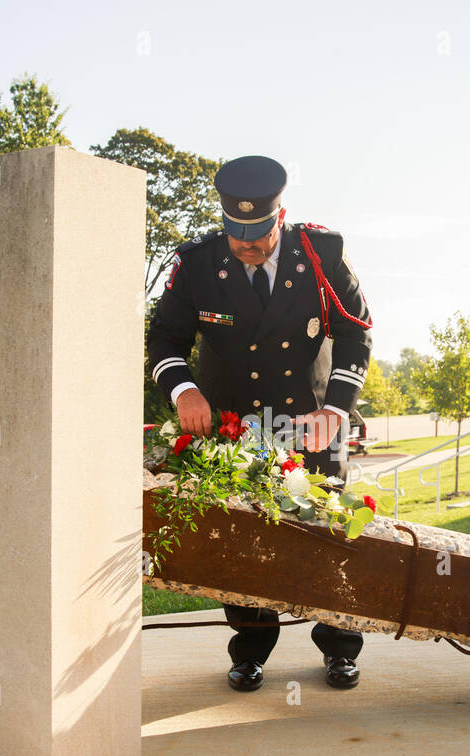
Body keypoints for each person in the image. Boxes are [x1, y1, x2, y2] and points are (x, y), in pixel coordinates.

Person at [146, 155, 374, 692]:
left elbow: (357, 331)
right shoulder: (197, 263)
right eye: (235, 233)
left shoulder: (322, 254)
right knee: (241, 544)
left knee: (328, 537)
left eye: (258, 233)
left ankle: (339, 647)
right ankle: (251, 649)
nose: (246, 244)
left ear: (281, 216)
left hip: (311, 422)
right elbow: (164, 340)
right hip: (232, 430)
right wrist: (184, 391)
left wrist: (336, 409)